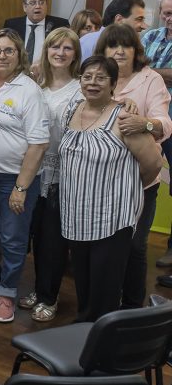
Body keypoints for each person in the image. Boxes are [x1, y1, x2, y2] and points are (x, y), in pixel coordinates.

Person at [60, 55, 161, 321]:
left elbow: (152, 163)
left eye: (101, 77)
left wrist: (122, 188)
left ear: (114, 84)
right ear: (80, 80)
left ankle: (103, 344)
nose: (92, 82)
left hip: (111, 218)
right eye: (87, 76)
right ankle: (85, 327)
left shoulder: (125, 118)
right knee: (83, 280)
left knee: (105, 287)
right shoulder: (73, 109)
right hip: (76, 215)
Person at [0, 29, 49, 323]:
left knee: (13, 239)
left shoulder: (29, 89)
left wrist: (21, 187)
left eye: (9, 50)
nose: (2, 55)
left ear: (19, 55)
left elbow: (39, 143)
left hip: (16, 179)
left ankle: (7, 294)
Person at [93, 23, 172, 309]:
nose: (118, 51)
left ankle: (132, 308)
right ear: (103, 51)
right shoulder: (97, 77)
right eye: (112, 45)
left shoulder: (150, 79)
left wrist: (145, 123)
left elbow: (165, 123)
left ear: (136, 51)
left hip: (141, 179)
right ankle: (105, 303)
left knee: (136, 245)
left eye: (125, 45)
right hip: (101, 179)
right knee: (106, 244)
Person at [21, 27, 82, 322]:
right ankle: (38, 287)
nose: (60, 53)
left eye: (67, 48)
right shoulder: (36, 85)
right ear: (46, 51)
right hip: (32, 171)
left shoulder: (81, 89)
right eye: (55, 47)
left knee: (53, 240)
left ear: (75, 55)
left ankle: (49, 296)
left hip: (63, 176)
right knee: (33, 235)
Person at [141, 0, 172, 276]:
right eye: (166, 12)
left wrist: (150, 71)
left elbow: (143, 70)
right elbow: (133, 66)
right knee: (144, 180)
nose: (169, 17)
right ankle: (135, 237)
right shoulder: (149, 37)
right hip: (146, 122)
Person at [2, 0, 70, 65]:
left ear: (46, 5)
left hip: (48, 72)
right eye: (33, 3)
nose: (38, 6)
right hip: (17, 71)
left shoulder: (60, 25)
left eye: (41, 2)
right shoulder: (12, 25)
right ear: (25, 7)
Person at [80, 0, 148, 57]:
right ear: (119, 20)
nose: (144, 26)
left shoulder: (131, 46)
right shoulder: (90, 43)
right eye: (139, 19)